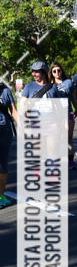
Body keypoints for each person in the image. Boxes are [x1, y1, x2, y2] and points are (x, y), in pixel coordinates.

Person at [50, 61, 77, 169]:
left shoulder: (68, 82)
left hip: (68, 112)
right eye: (54, 71)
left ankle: (70, 160)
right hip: (53, 114)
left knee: (69, 138)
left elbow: (73, 97)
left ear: (62, 71)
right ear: (51, 73)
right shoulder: (49, 84)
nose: (57, 73)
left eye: (59, 70)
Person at [0, 79, 18, 209]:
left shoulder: (5, 91)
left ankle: (0, 195)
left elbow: (13, 110)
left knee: (2, 164)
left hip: (4, 131)